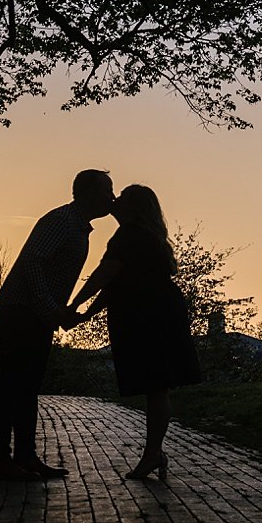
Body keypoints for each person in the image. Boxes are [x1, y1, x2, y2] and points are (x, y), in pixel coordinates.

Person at [66, 184, 201, 480]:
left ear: (133, 207)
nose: (115, 199)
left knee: (156, 384)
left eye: (123, 197)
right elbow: (114, 285)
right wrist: (84, 313)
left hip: (148, 315)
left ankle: (153, 454)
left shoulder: (128, 237)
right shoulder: (145, 237)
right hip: (155, 312)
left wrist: (74, 304)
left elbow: (105, 276)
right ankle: (154, 453)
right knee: (157, 385)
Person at [0, 169, 116, 481]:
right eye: (107, 190)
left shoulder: (78, 226)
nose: (112, 197)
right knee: (12, 383)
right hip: (21, 311)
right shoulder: (61, 221)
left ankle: (25, 456)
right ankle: (1, 460)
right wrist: (51, 308)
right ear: (87, 193)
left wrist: (58, 311)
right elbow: (32, 261)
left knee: (28, 386)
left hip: (37, 314)